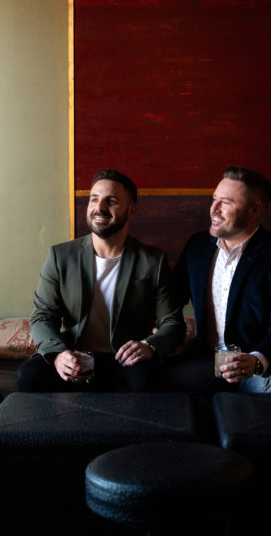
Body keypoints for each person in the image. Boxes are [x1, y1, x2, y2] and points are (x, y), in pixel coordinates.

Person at [16, 168, 186, 392]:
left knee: (148, 379)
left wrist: (150, 346)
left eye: (111, 201)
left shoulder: (153, 261)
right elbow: (42, 316)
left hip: (125, 361)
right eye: (94, 199)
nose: (99, 208)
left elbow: (173, 323)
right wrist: (57, 354)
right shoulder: (61, 256)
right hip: (75, 355)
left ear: (131, 211)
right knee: (29, 375)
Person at [170, 166, 271, 396]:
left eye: (225, 202)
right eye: (214, 199)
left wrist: (256, 361)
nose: (214, 209)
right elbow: (172, 296)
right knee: (157, 381)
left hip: (260, 365)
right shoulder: (197, 247)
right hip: (207, 362)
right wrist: (158, 330)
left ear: (255, 209)